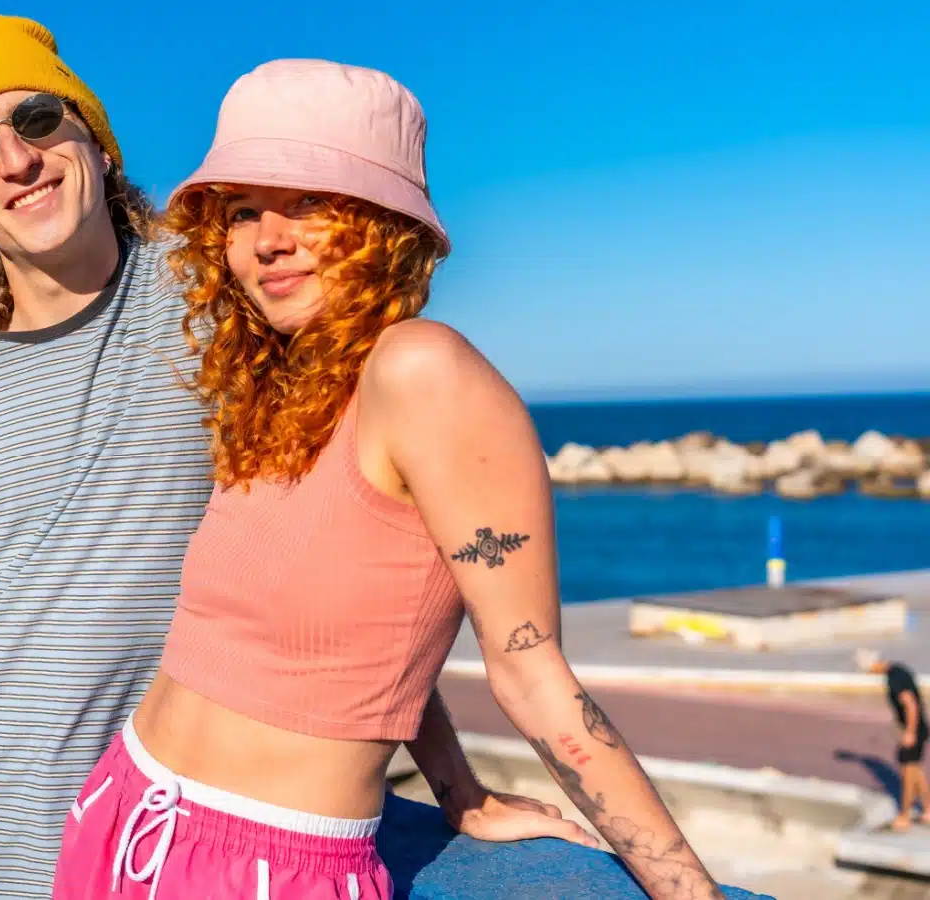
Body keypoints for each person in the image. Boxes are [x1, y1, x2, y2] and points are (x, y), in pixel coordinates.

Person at [0, 17, 587, 899]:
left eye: (39, 121)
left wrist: (457, 787)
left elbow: (352, 555)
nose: (17, 160)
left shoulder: (221, 302)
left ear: (98, 142)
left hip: (142, 851)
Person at [52, 59, 724, 900]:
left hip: (270, 867)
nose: (267, 239)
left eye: (308, 201)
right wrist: (458, 791)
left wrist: (690, 892)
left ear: (382, 224)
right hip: (121, 811)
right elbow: (373, 641)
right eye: (244, 210)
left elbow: (533, 674)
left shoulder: (424, 371)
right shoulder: (279, 390)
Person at [856, 649, 929, 830]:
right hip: (918, 728)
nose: (869, 674)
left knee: (908, 774)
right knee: (915, 771)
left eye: (867, 670)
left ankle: (904, 816)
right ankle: (928, 810)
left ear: (873, 666)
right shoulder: (899, 670)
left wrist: (910, 732)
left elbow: (911, 704)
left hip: (913, 731)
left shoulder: (894, 679)